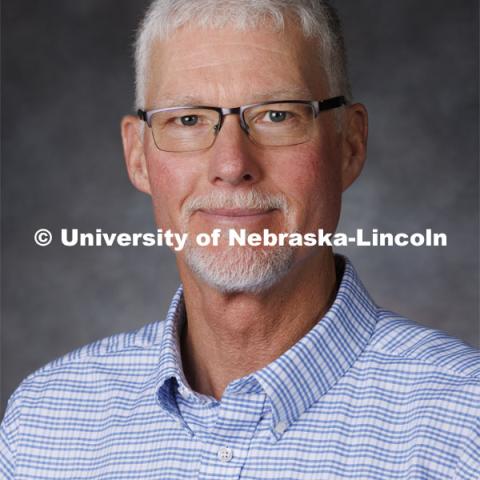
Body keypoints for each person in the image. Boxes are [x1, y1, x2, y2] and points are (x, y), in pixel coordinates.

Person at [1, 0, 478, 478]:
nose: (231, 165)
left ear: (348, 145)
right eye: (187, 120)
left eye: (277, 115)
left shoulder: (463, 423)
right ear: (138, 156)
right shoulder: (43, 422)